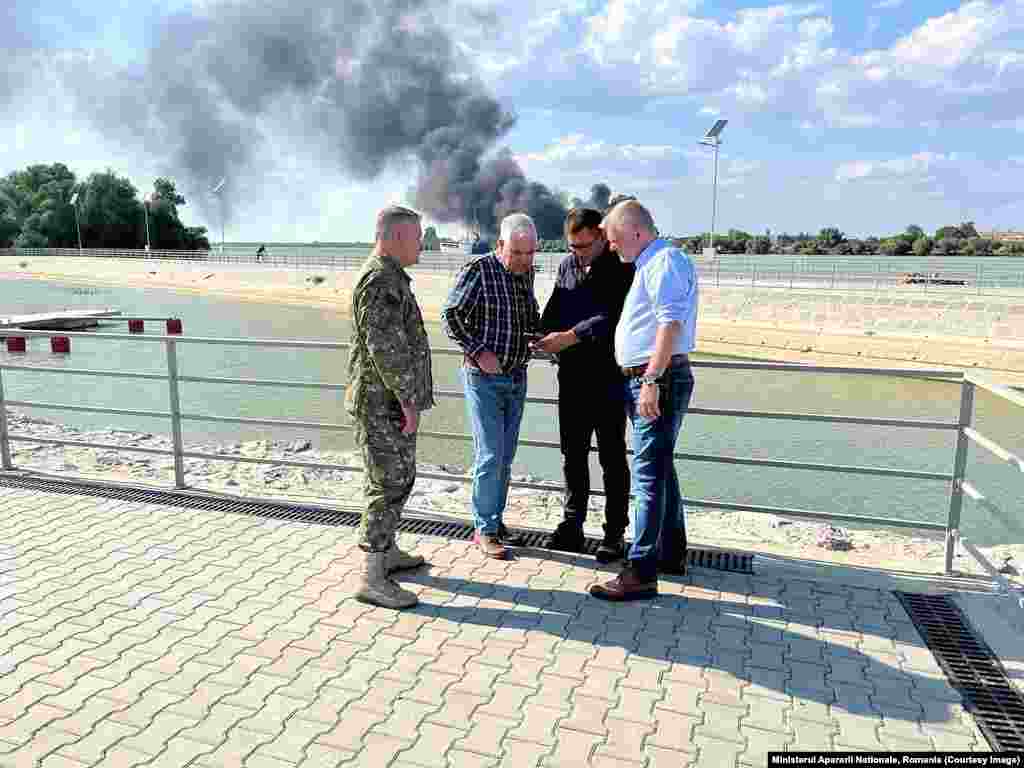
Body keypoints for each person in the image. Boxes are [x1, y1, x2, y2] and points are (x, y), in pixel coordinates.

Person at [589, 200, 699, 601]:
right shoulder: (651, 262)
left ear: (635, 232)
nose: (613, 247)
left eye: (615, 239)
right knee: (660, 468)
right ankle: (670, 553)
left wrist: (651, 378)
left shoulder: (664, 261)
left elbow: (670, 323)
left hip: (656, 380)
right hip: (650, 378)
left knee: (648, 475)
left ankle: (640, 571)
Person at [344, 205, 435, 609]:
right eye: (417, 238)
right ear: (396, 238)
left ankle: (388, 551)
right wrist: (407, 402)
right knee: (386, 485)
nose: (421, 245)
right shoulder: (380, 280)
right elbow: (387, 351)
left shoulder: (390, 276)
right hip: (383, 404)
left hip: (390, 403)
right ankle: (372, 576)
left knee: (399, 478)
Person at [534, 208, 634, 562]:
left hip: (607, 377)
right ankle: (572, 525)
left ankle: (614, 533)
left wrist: (569, 337)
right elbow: (556, 307)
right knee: (572, 454)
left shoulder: (622, 266)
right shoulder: (566, 265)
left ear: (602, 236)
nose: (577, 252)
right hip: (572, 377)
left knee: (612, 457)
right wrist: (541, 334)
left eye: (583, 246)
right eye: (572, 246)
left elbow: (612, 318)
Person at [442, 213, 542, 559]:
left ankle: (495, 522)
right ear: (500, 246)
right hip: (483, 378)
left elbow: (529, 314)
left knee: (506, 456)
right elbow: (450, 316)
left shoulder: (525, 273)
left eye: (531, 254)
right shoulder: (479, 271)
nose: (525, 261)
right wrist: (479, 351)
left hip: (517, 375)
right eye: (517, 253)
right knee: (490, 455)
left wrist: (540, 336)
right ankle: (484, 530)